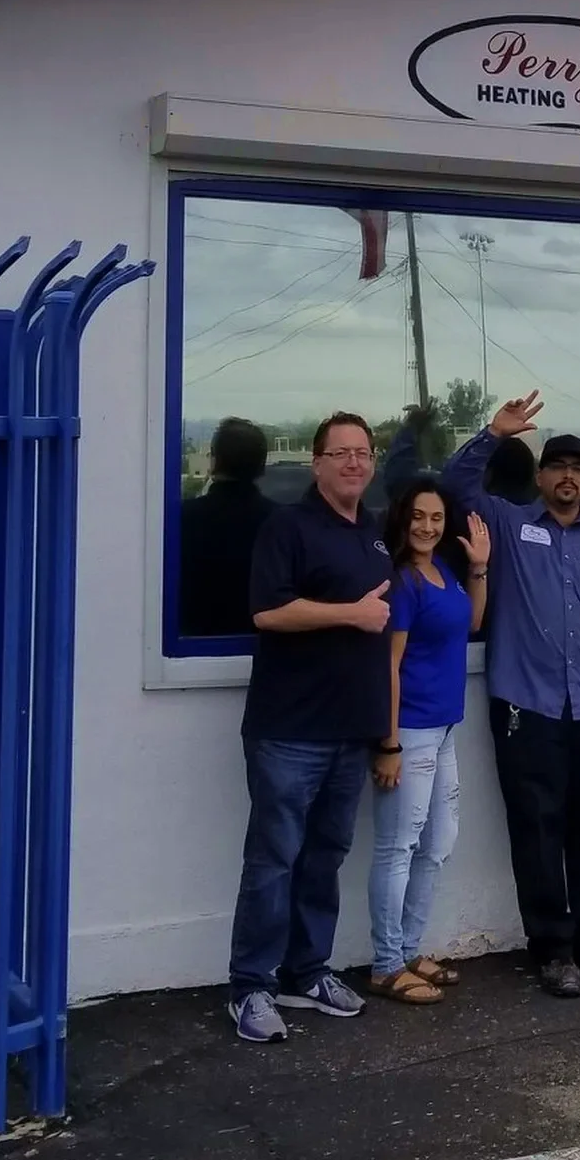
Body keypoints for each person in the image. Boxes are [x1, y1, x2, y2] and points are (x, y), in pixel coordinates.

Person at [441, 390, 580, 999]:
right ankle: (553, 949)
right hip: (526, 707)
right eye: (558, 467)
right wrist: (493, 434)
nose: (568, 478)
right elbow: (453, 488)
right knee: (537, 828)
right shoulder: (507, 524)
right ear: (541, 476)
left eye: (579, 469)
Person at [226, 411, 393, 1043]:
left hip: (349, 731)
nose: (353, 462)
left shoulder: (372, 532)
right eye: (340, 452)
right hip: (290, 731)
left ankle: (306, 972)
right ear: (317, 463)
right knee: (274, 861)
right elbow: (268, 613)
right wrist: (351, 614)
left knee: (325, 859)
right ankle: (250, 986)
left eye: (363, 452)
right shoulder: (287, 527)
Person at [368, 482, 489, 1004]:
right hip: (410, 732)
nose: (427, 527)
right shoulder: (401, 581)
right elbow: (389, 665)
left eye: (436, 518)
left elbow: (474, 621)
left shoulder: (442, 571)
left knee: (437, 844)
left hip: (442, 730)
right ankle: (385, 965)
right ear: (403, 518)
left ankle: (409, 950)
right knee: (398, 847)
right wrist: (389, 742)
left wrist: (479, 568)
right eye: (418, 516)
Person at [178, 417, 274, 638]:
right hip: (264, 644)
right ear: (261, 465)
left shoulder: (181, 519)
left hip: (192, 641)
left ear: (214, 460)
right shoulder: (281, 522)